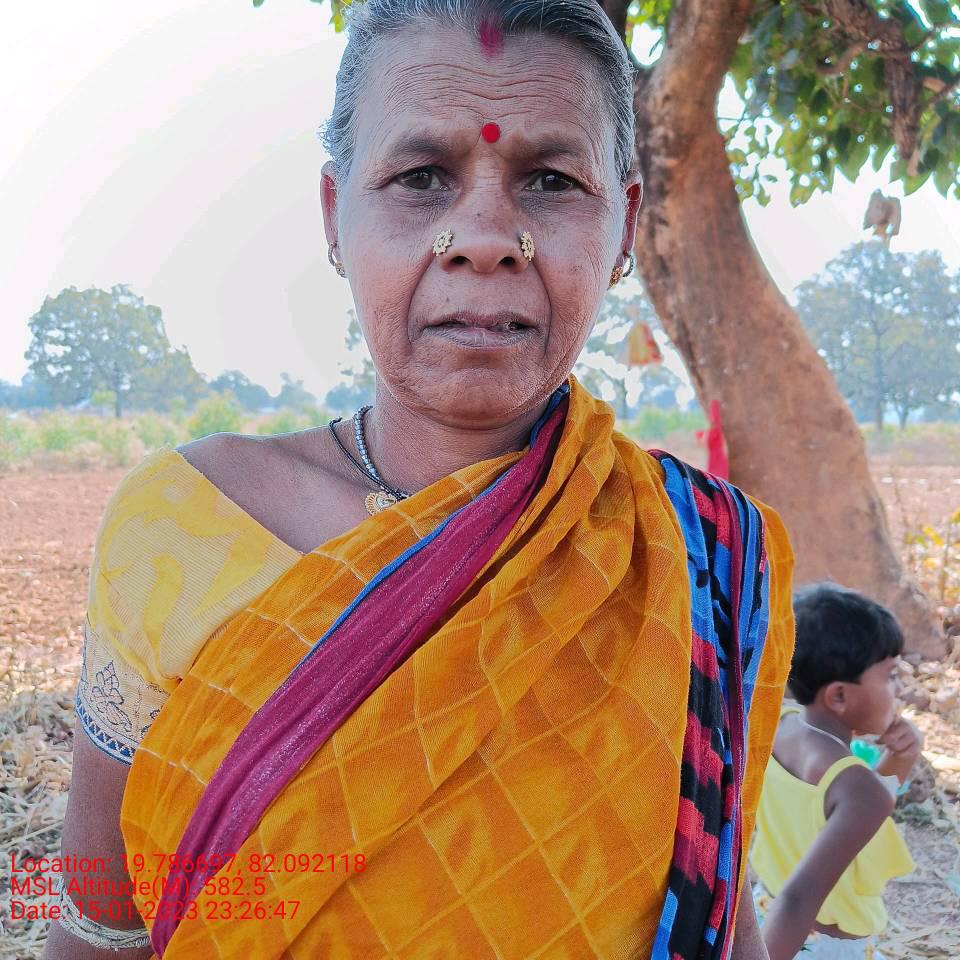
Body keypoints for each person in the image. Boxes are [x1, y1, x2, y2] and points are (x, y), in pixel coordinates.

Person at [43, 1, 797, 957]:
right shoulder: (185, 525)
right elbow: (99, 918)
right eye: (420, 178)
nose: (483, 237)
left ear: (624, 229)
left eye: (552, 180)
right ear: (335, 216)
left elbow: (718, 907)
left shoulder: (701, 555)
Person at [750, 583, 923, 960]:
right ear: (840, 696)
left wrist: (901, 757)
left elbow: (855, 813)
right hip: (824, 946)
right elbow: (799, 900)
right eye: (891, 675)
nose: (901, 690)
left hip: (765, 915)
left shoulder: (777, 724)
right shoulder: (858, 789)